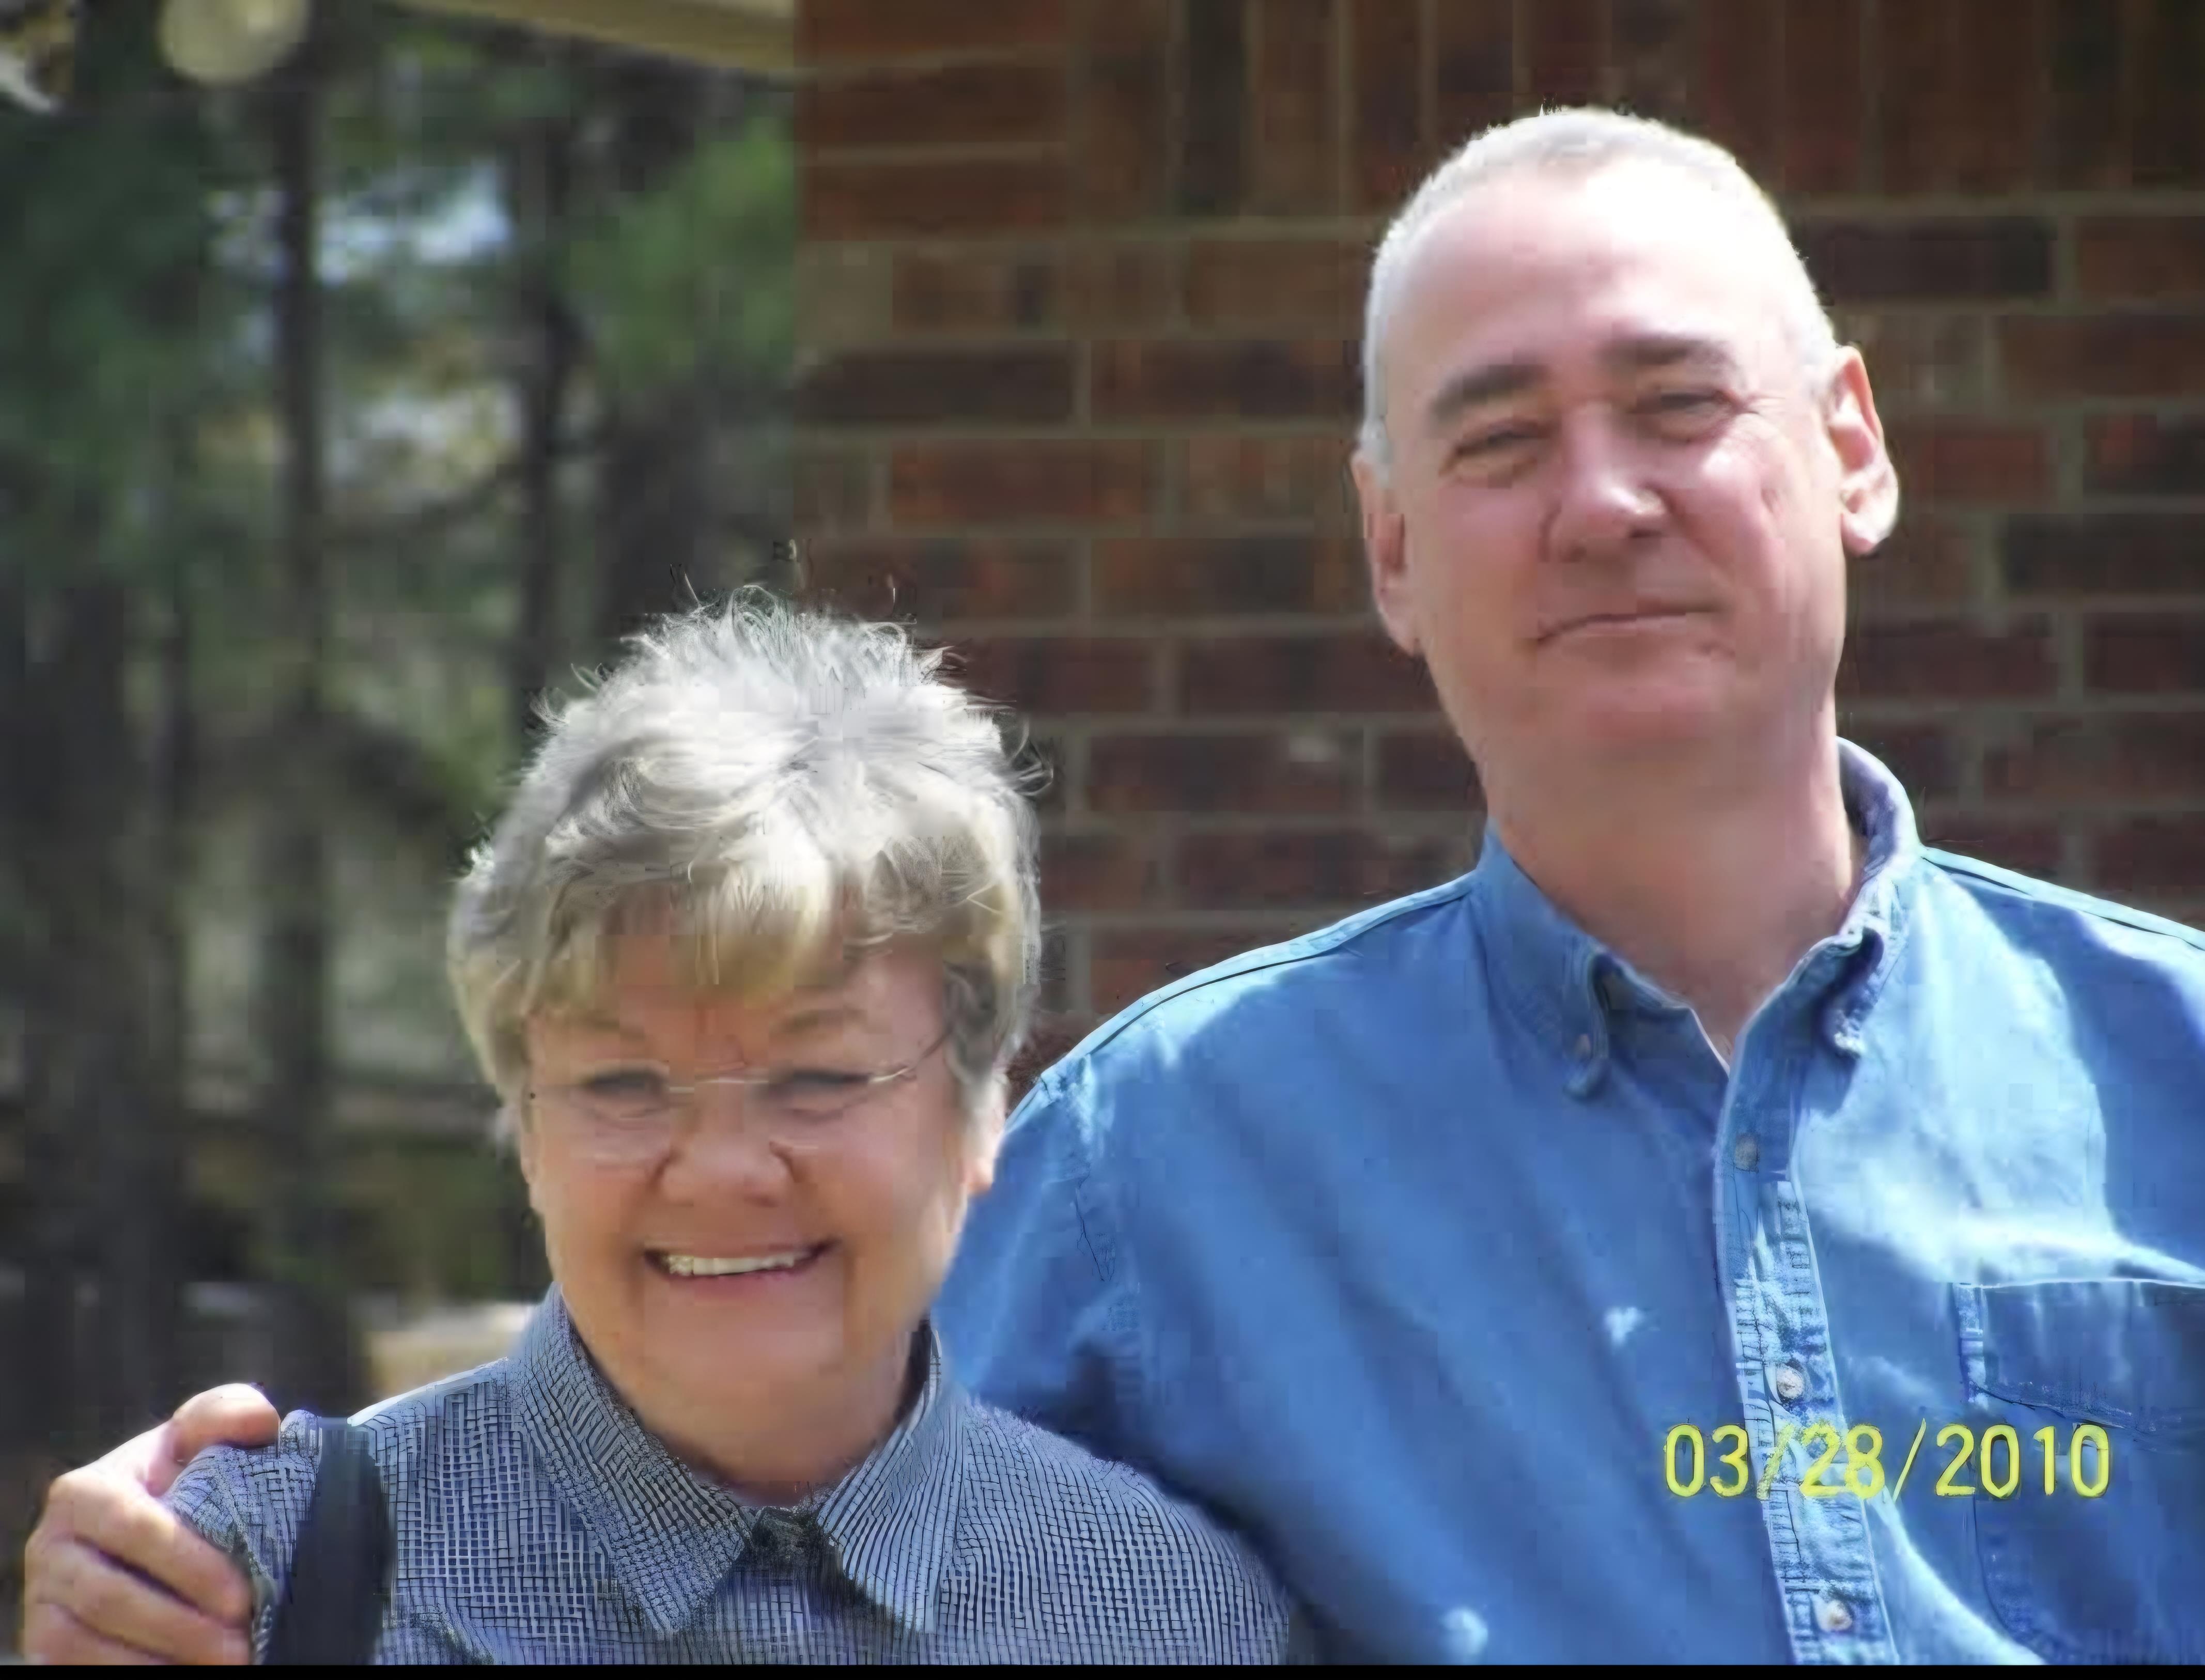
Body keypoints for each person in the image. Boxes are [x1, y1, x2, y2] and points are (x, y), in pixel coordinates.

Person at [23, 105, 2205, 1664]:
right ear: (1380, 549)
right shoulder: (1165, 1155)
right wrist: (228, 1548)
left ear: (1846, 445)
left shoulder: (2173, 1074)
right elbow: (731, 1340)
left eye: (1671, 401)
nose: (1603, 498)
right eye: (1496, 438)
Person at [16, 596, 1300, 1663]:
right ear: (523, 1123)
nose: (723, 1169)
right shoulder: (249, 1581)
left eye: (816, 1076)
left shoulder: (1178, 1620)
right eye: (625, 1085)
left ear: (980, 1112)